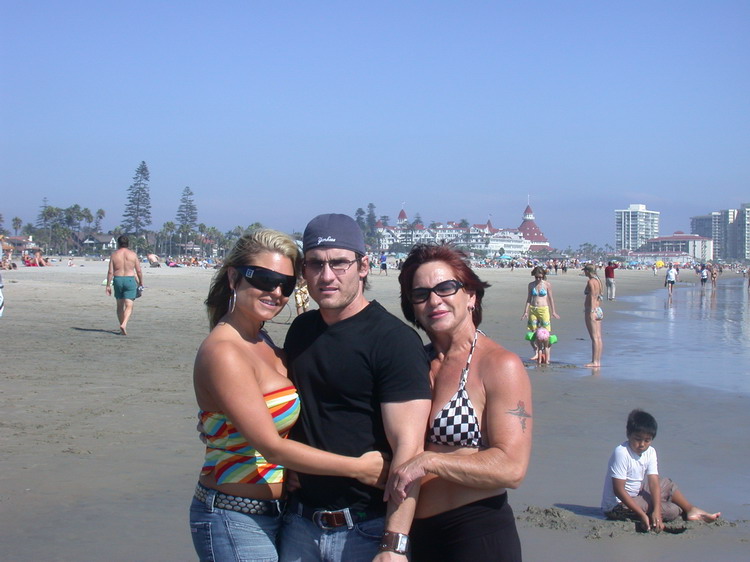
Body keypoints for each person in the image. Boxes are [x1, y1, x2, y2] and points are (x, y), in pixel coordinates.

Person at [190, 229, 388, 562]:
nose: (276, 292)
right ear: (234, 276)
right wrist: (359, 468)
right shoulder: (225, 351)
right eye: (264, 279)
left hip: (277, 514)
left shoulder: (264, 341)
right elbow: (271, 445)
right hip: (233, 518)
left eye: (286, 283)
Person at [280, 214, 432, 562]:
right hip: (299, 525)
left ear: (363, 266)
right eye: (315, 264)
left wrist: (394, 544)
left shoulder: (394, 341)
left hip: (366, 529)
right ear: (304, 270)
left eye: (339, 263)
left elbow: (409, 450)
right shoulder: (301, 331)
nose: (327, 276)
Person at [388, 243, 532, 562]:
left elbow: (512, 468)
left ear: (471, 295)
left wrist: (430, 461)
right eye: (421, 293)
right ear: (411, 306)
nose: (434, 300)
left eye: (446, 288)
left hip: (477, 533)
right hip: (415, 537)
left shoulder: (498, 364)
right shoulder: (412, 365)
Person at [601, 409, 720, 532]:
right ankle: (664, 511)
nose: (642, 444)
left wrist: (657, 511)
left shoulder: (651, 452)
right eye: (638, 439)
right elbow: (619, 490)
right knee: (672, 510)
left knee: (667, 484)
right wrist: (642, 515)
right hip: (617, 506)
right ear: (628, 434)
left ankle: (690, 509)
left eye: (647, 440)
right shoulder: (621, 453)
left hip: (637, 492)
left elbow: (653, 482)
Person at [521, 266, 560, 363]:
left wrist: (553, 311)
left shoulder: (547, 285)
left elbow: (550, 298)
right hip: (533, 309)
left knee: (546, 334)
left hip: (544, 309)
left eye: (540, 277)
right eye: (536, 277)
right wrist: (525, 311)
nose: (538, 279)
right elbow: (529, 299)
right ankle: (537, 352)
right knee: (533, 333)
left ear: (543, 276)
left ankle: (547, 354)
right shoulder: (531, 285)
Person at [105, 235, 143, 335]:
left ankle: (122, 324)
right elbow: (138, 271)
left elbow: (110, 272)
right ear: (128, 243)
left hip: (118, 279)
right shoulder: (133, 254)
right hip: (129, 280)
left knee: (119, 306)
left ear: (118, 243)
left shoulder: (114, 255)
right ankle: (124, 324)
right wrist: (141, 283)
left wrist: (108, 285)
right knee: (129, 305)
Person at [583, 264, 603, 367]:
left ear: (588, 271)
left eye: (585, 271)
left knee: (594, 337)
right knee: (598, 337)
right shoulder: (598, 281)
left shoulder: (591, 281)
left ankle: (595, 361)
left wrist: (591, 311)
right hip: (598, 310)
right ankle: (597, 360)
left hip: (592, 310)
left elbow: (592, 297)